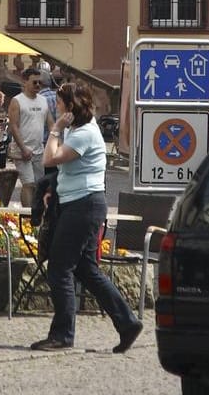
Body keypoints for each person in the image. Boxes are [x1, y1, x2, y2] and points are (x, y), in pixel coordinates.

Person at [34, 83, 141, 354]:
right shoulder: (78, 129)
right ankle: (127, 322)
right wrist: (52, 190)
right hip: (81, 205)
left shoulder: (84, 133)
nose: (55, 107)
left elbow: (50, 158)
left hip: (83, 208)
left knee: (59, 268)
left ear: (69, 108)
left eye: (58, 103)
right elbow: (65, 171)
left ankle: (62, 335)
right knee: (86, 270)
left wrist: (55, 128)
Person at [8, 71, 53, 206]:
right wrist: (23, 148)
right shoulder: (17, 101)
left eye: (40, 82)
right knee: (28, 184)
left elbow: (50, 123)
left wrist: (55, 140)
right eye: (35, 82)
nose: (38, 85)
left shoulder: (43, 100)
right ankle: (27, 215)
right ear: (25, 82)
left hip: (39, 150)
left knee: (39, 185)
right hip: (22, 150)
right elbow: (14, 126)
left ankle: (36, 213)